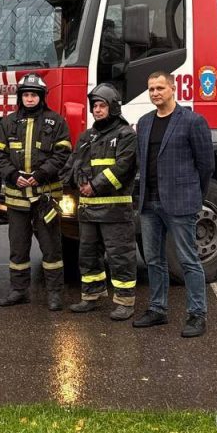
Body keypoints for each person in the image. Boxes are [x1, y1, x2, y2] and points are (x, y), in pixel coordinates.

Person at [134, 71, 214, 338]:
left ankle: (197, 315)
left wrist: (194, 196)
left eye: (160, 88)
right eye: (151, 89)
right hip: (150, 203)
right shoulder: (144, 123)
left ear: (173, 88)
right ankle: (158, 309)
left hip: (180, 203)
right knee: (154, 260)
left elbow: (206, 165)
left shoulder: (192, 121)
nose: (155, 93)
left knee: (188, 260)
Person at [0, 73, 72, 311]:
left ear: (41, 97)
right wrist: (14, 176)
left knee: (51, 247)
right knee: (18, 247)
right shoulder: (8, 122)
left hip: (45, 197)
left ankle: (55, 293)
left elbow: (63, 153)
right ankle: (18, 290)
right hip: (17, 199)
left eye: (34, 95)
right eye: (26, 94)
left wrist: (40, 175)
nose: (29, 98)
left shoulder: (56, 122)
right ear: (20, 97)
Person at [62, 84, 138, 320]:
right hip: (88, 210)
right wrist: (71, 181)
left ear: (113, 107)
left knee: (120, 255)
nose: (97, 110)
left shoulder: (126, 135)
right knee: (87, 255)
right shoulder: (87, 136)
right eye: (94, 106)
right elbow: (73, 164)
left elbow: (122, 168)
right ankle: (91, 296)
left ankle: (125, 301)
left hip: (115, 209)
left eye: (102, 105)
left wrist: (94, 186)